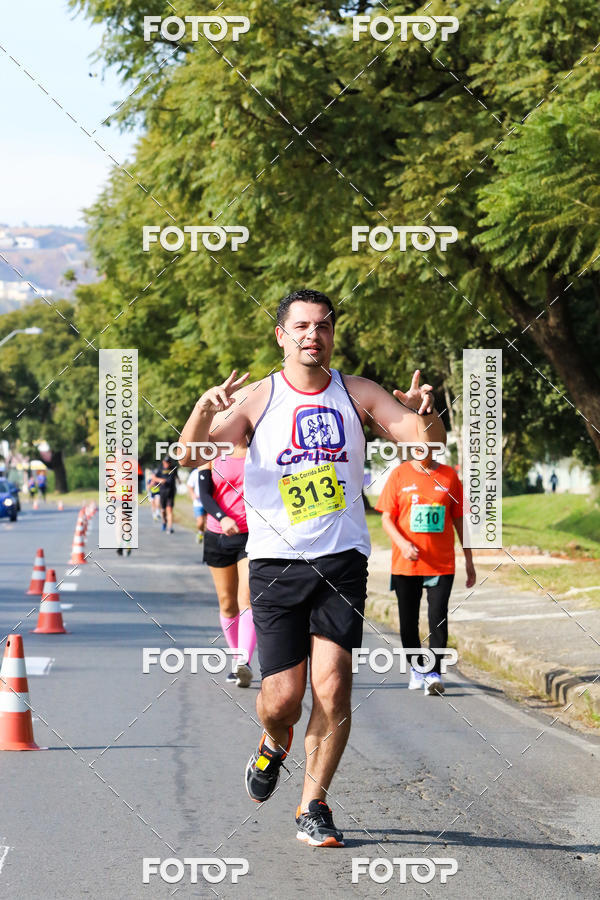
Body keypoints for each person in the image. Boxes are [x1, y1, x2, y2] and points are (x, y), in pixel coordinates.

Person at [180, 288, 445, 848]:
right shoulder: (257, 399)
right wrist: (204, 411)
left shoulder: (358, 392)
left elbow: (424, 449)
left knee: (333, 690)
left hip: (342, 559)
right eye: (300, 326)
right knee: (282, 700)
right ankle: (272, 745)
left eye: (322, 326)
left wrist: (428, 415)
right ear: (281, 335)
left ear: (332, 335)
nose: (312, 335)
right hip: (275, 563)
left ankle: (313, 805)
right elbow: (191, 457)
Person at [375, 450, 476, 695]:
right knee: (408, 624)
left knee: (438, 619)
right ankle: (417, 667)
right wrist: (402, 544)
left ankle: (433, 673)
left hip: (441, 563)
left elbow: (460, 520)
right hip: (406, 563)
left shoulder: (449, 476)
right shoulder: (399, 474)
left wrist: (469, 560)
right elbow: (387, 518)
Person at [198, 446, 255, 687]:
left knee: (247, 599)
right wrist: (223, 517)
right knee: (227, 602)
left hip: (251, 534)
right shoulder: (210, 451)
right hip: (217, 533)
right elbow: (205, 495)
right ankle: (236, 658)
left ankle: (244, 662)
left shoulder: (259, 447)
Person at [150, 458, 178, 533]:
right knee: (163, 510)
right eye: (166, 462)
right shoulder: (160, 469)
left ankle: (170, 527)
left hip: (171, 492)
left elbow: (176, 477)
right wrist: (160, 480)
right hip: (162, 492)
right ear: (163, 462)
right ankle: (164, 521)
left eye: (168, 462)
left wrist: (179, 481)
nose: (167, 464)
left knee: (170, 510)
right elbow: (153, 477)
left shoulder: (173, 469)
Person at [186, 468, 207, 543]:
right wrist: (192, 494)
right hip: (198, 503)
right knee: (200, 522)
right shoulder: (195, 472)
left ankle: (208, 538)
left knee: (209, 523)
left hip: (209, 501)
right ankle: (200, 532)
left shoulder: (212, 470)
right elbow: (189, 485)